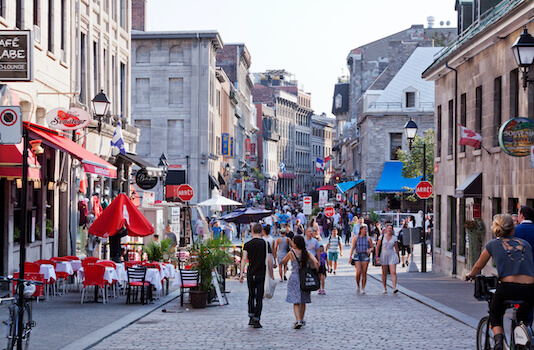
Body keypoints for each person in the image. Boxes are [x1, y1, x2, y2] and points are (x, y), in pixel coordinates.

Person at [466, 214, 534, 350]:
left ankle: (498, 340)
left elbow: (479, 265)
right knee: (523, 317)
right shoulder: (525, 244)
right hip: (529, 289)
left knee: (495, 312)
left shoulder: (493, 244)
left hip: (507, 288)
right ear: (512, 228)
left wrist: (470, 275)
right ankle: (524, 334)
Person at [239, 223, 274, 329]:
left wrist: (241, 274)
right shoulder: (266, 244)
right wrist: (271, 275)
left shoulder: (247, 244)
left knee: (251, 295)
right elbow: (269, 260)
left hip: (251, 273)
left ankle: (251, 315)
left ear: (252, 231)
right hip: (261, 273)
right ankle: (257, 318)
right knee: (259, 296)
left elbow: (244, 259)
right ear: (261, 232)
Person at [280, 235, 319, 329]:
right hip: (304, 278)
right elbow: (316, 263)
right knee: (303, 300)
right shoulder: (307, 253)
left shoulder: (292, 253)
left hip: (294, 277)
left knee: (295, 300)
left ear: (296, 244)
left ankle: (298, 320)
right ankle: (301, 318)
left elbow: (283, 262)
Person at [349, 225, 374, 294]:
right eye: (364, 229)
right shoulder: (356, 238)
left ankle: (363, 288)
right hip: (357, 255)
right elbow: (352, 247)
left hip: (365, 255)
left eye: (366, 230)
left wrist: (370, 250)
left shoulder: (368, 238)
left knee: (364, 272)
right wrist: (350, 257)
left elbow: (372, 247)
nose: (365, 231)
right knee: (358, 272)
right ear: (360, 230)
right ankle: (358, 285)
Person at [376, 224, 400, 294]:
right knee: (384, 272)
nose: (389, 230)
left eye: (390, 228)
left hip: (391, 254)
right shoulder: (382, 237)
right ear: (386, 229)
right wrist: (377, 256)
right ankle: (384, 287)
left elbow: (396, 247)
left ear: (392, 230)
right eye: (388, 228)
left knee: (393, 272)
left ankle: (394, 287)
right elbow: (377, 247)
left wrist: (398, 256)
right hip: (384, 254)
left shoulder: (394, 238)